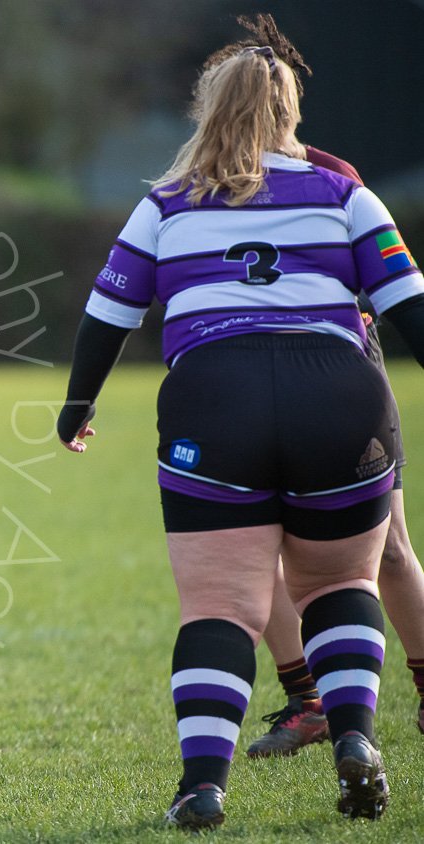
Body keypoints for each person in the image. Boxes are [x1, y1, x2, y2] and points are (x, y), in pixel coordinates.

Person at [57, 42, 424, 828]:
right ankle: (355, 739)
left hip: (213, 399)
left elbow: (107, 317)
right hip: (338, 396)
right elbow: (410, 310)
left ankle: (201, 787)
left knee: (219, 606)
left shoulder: (166, 202)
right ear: (292, 112)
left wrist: (78, 404)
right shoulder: (343, 192)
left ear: (207, 110)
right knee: (339, 586)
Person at [180, 14, 424, 761]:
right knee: (261, 553)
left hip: (335, 371)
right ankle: (309, 699)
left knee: (386, 550)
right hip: (239, 381)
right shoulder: (197, 183)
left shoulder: (332, 175)